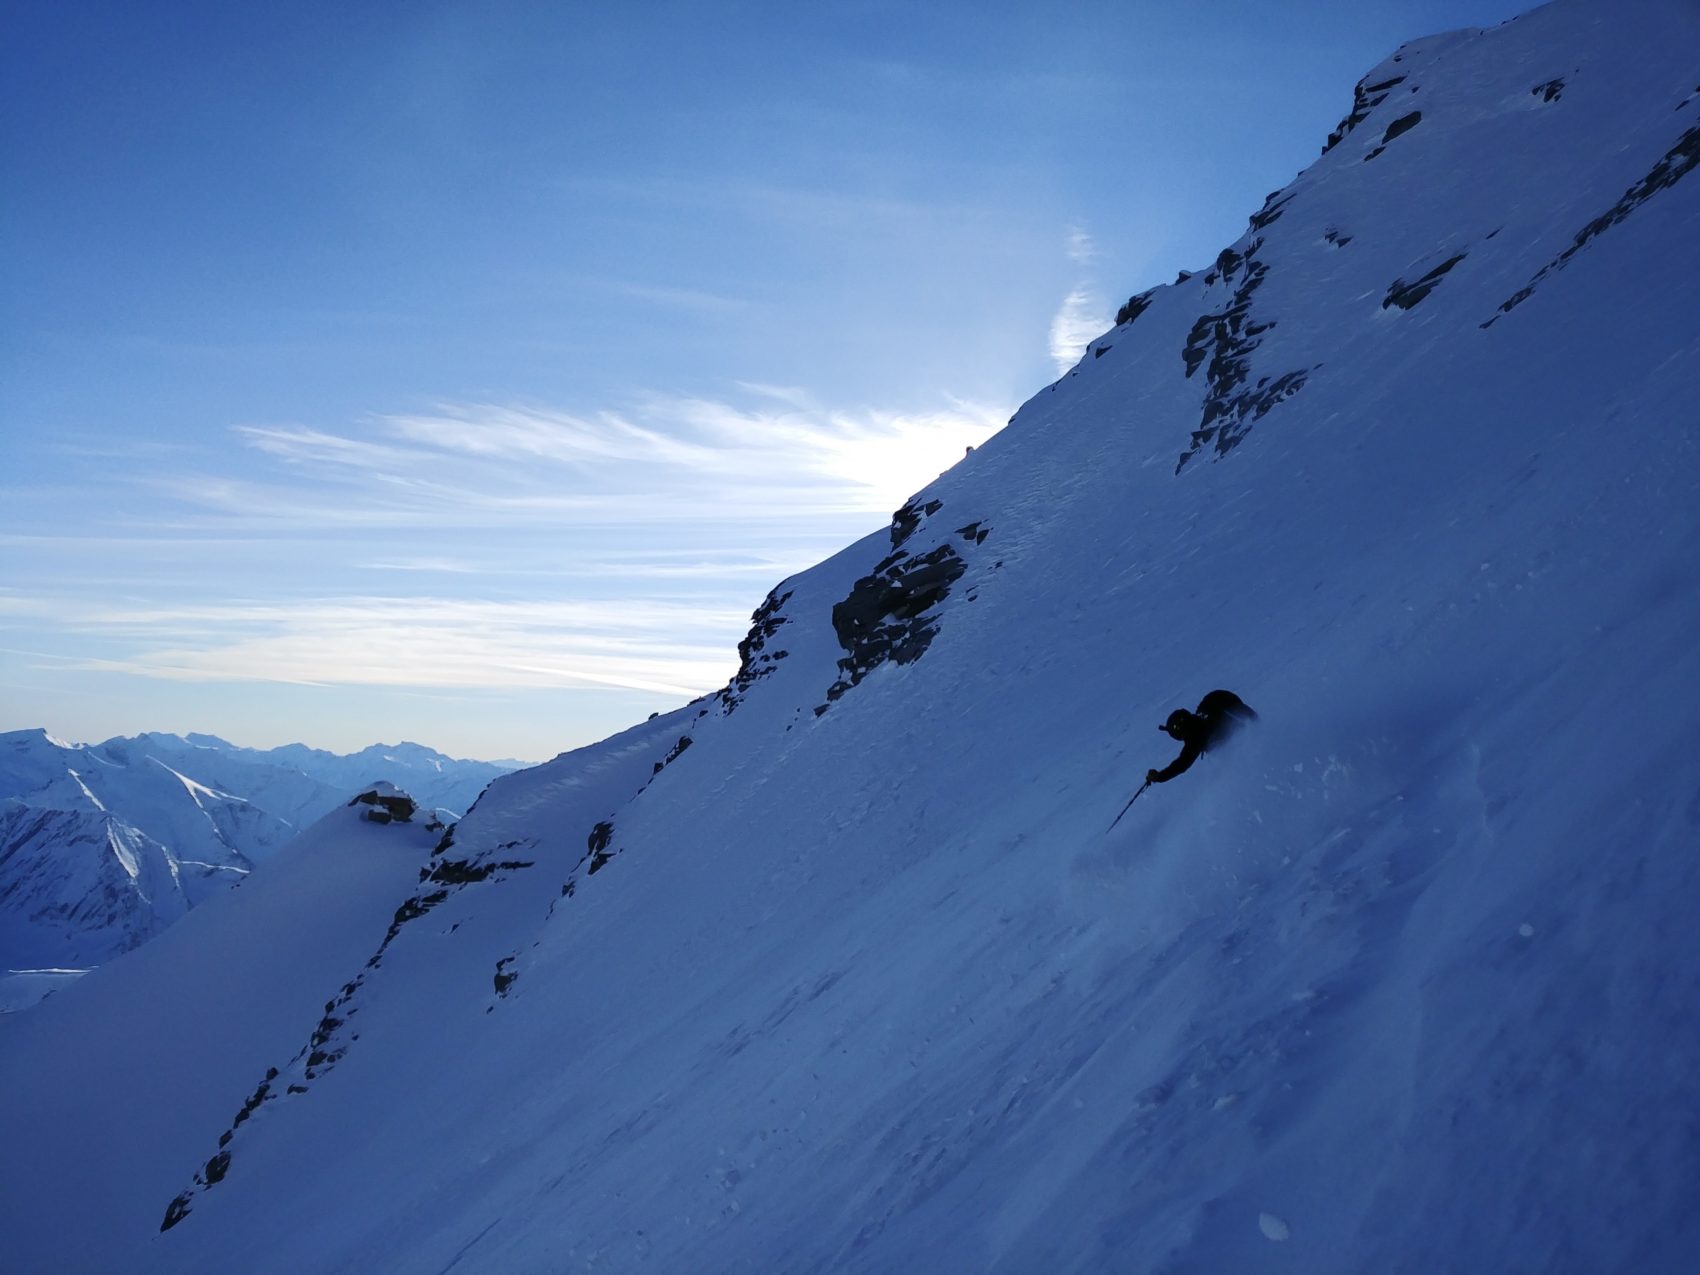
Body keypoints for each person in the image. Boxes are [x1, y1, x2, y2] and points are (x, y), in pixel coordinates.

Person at [1146, 689, 1258, 784]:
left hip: (1245, 748)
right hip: (1244, 736)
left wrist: (1159, 777)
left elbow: (1182, 764)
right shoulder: (1202, 714)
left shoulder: (1195, 735)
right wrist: (1253, 718)